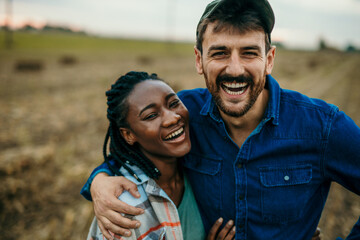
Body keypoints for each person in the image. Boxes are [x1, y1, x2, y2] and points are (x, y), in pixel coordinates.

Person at [81, 0, 360, 239]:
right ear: (199, 60)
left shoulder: (322, 127)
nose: (235, 69)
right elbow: (131, 150)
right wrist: (99, 182)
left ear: (270, 59)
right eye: (220, 53)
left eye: (249, 52)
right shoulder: (183, 115)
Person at [86, 71, 236, 240]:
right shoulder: (125, 212)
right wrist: (98, 180)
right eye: (151, 116)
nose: (172, 118)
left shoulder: (195, 169)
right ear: (128, 135)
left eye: (173, 104)